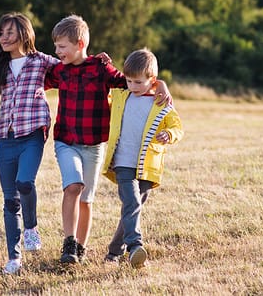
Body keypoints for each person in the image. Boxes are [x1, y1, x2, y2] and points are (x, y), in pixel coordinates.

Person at [44, 15, 171, 265]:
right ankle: (68, 243)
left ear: (80, 44)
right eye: (56, 46)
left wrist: (161, 85)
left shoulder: (100, 68)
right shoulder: (59, 71)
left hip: (94, 145)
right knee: (73, 186)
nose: (57, 51)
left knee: (87, 199)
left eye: (61, 46)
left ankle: (79, 248)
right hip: (65, 140)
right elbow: (34, 77)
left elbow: (134, 81)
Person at [0, 12, 60, 274]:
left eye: (9, 32)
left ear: (24, 34)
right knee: (9, 200)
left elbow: (72, 66)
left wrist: (98, 61)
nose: (3, 37)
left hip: (32, 134)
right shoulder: (0, 66)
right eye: (1, 33)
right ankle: (14, 258)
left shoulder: (42, 62)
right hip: (6, 137)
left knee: (25, 182)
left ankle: (31, 227)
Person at [100, 48, 183, 268]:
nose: (132, 86)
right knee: (132, 202)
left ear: (152, 80)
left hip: (147, 166)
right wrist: (103, 65)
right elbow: (102, 89)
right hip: (123, 163)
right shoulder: (121, 97)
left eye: (138, 82)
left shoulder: (160, 102)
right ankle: (135, 247)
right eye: (128, 81)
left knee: (131, 208)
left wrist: (170, 134)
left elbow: (177, 126)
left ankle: (113, 253)